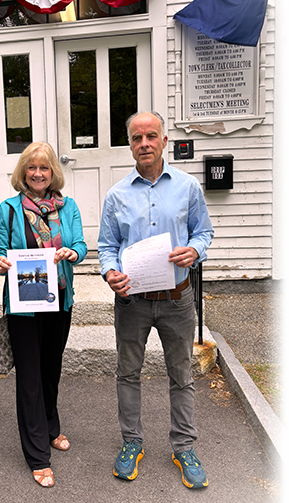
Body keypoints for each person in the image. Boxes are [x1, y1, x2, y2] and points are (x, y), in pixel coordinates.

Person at [98, 112, 213, 489]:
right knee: (128, 374)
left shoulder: (187, 187)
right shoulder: (116, 194)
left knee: (181, 376)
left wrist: (194, 252)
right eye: (136, 138)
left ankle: (184, 447)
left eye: (151, 136)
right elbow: (107, 246)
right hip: (132, 302)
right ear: (129, 144)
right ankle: (132, 442)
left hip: (177, 300)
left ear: (164, 141)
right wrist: (109, 272)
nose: (144, 143)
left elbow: (203, 231)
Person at [0, 142, 87, 488]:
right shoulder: (9, 209)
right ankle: (37, 455)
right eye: (31, 168)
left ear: (53, 173)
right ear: (23, 172)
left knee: (51, 370)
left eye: (44, 168)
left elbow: (80, 245)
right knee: (30, 378)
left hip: (59, 299)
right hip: (24, 305)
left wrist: (71, 253)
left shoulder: (68, 207)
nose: (37, 174)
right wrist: (0, 261)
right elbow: (0, 250)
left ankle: (50, 427)